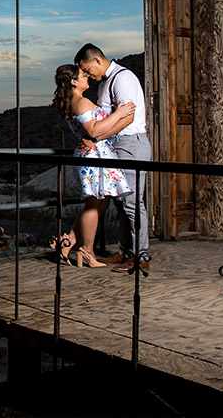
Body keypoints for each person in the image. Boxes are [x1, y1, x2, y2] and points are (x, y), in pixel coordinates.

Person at [74, 43, 151, 273]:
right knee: (120, 203)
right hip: (117, 145)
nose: (87, 75)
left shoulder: (122, 78)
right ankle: (125, 252)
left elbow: (127, 117)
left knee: (133, 203)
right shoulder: (106, 83)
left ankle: (141, 256)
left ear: (97, 60)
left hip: (131, 144)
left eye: (87, 70)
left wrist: (96, 138)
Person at [52, 64, 134, 267]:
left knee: (102, 201)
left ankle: (68, 241)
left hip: (96, 153)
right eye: (82, 75)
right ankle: (87, 251)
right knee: (94, 202)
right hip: (93, 155)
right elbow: (93, 130)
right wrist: (119, 113)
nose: (86, 77)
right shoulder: (81, 102)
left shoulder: (75, 101)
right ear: (73, 81)